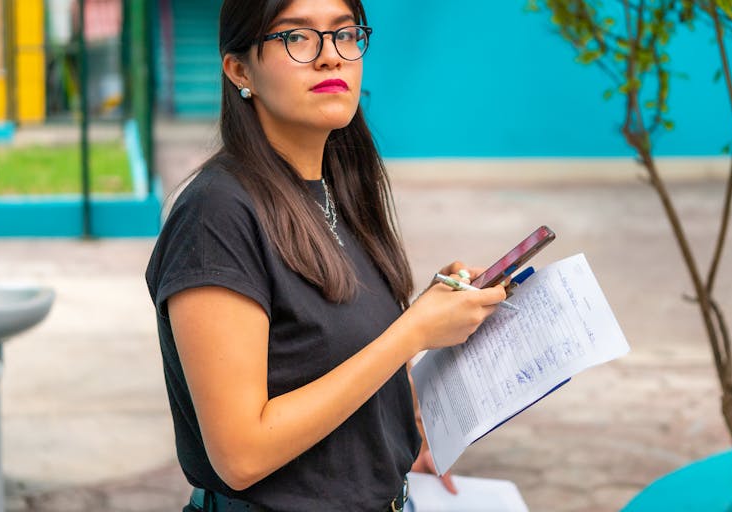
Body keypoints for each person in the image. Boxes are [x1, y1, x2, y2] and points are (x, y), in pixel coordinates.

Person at [145, 0, 507, 510]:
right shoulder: (217, 213)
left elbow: (328, 350)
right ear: (239, 69)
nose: (330, 56)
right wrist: (414, 330)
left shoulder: (339, 188)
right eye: (296, 37)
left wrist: (395, 437)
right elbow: (240, 454)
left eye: (344, 33)